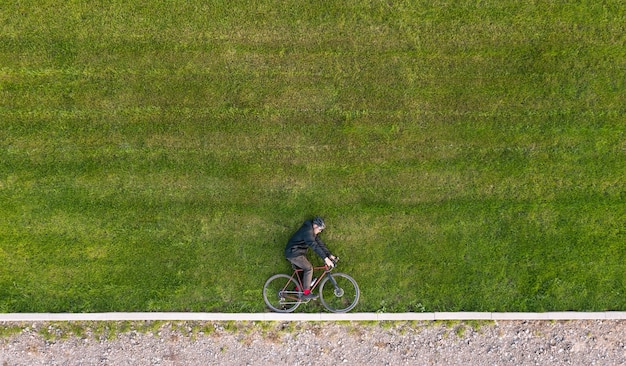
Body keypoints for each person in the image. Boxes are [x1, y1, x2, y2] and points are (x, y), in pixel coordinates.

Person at [285, 216, 336, 300]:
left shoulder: (311, 231)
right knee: (309, 269)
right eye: (319, 230)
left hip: (297, 252)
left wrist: (329, 255)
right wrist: (325, 259)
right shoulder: (308, 232)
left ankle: (298, 290)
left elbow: (320, 244)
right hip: (293, 253)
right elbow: (314, 246)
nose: (319, 232)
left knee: (304, 273)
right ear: (315, 226)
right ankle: (306, 293)